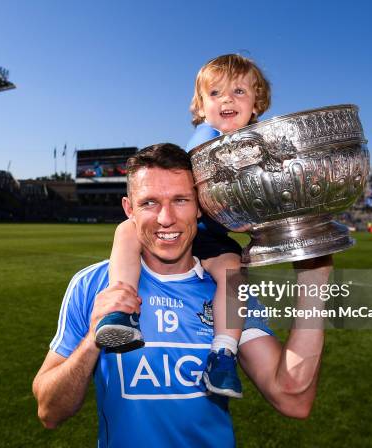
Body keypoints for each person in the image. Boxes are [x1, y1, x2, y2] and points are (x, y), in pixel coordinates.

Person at [33, 144, 331, 447]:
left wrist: (314, 280)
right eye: (149, 202)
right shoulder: (93, 285)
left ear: (200, 206)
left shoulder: (230, 292)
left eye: (180, 200)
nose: (166, 218)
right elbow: (49, 411)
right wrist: (91, 342)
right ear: (128, 209)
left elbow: (294, 400)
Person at [97, 54, 271, 398]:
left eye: (239, 91)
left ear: (257, 103)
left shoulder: (259, 145)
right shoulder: (207, 136)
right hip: (185, 227)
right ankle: (120, 310)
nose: (227, 100)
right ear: (201, 106)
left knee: (233, 274)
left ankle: (223, 355)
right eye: (216, 93)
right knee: (126, 230)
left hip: (211, 238)